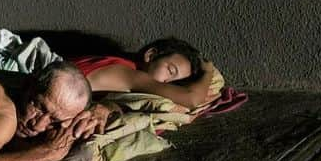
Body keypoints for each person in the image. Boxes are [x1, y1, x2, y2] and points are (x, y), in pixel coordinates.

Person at [70, 37, 216, 110]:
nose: (166, 84)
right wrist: (208, 72)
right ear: (151, 55)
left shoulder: (116, 63)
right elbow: (192, 99)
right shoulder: (129, 74)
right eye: (170, 71)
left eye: (174, 83)